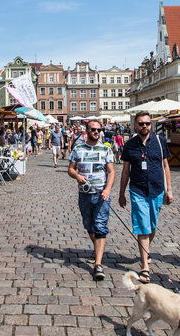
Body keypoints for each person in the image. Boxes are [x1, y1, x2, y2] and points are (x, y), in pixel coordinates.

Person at [117, 112, 173, 284]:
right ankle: (145, 267)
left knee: (152, 226)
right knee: (142, 227)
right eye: (141, 124)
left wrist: (169, 189)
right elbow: (125, 170)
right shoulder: (130, 145)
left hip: (156, 189)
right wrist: (121, 192)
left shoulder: (159, 142)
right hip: (137, 190)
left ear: (151, 125)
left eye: (147, 123)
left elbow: (166, 166)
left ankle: (145, 252)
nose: (145, 126)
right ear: (135, 125)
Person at [67, 120, 115, 281]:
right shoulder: (78, 149)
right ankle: (97, 249)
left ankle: (98, 264)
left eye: (99, 130)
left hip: (102, 194)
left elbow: (111, 172)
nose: (96, 132)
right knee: (89, 225)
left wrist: (108, 189)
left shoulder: (106, 149)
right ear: (86, 131)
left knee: (100, 226)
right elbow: (70, 168)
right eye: (93, 129)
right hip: (85, 194)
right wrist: (77, 176)